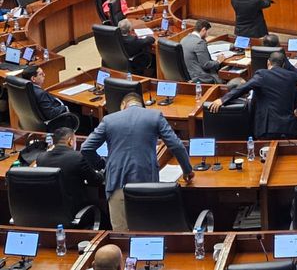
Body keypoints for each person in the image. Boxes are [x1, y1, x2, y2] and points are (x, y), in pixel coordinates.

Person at [81, 92, 193, 231]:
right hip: (147, 184)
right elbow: (176, 145)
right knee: (148, 231)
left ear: (123, 105)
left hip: (116, 183)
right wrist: (187, 170)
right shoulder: (155, 116)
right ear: (142, 105)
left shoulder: (109, 120)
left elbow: (85, 148)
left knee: (121, 235)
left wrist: (103, 165)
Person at [209, 51, 297, 138]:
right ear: (284, 64)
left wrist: (222, 99)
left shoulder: (262, 74)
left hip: (267, 130)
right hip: (289, 129)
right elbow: (295, 101)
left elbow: (244, 88)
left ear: (268, 62)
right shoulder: (293, 77)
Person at [36, 127, 102, 214]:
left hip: (49, 211)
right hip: (75, 211)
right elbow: (95, 181)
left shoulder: (41, 158)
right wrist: (102, 172)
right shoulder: (77, 157)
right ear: (70, 141)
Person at [180, 19, 224, 84]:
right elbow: (205, 65)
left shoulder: (183, 39)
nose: (208, 35)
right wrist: (218, 61)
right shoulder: (199, 42)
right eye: (207, 32)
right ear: (203, 30)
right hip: (201, 77)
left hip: (189, 74)